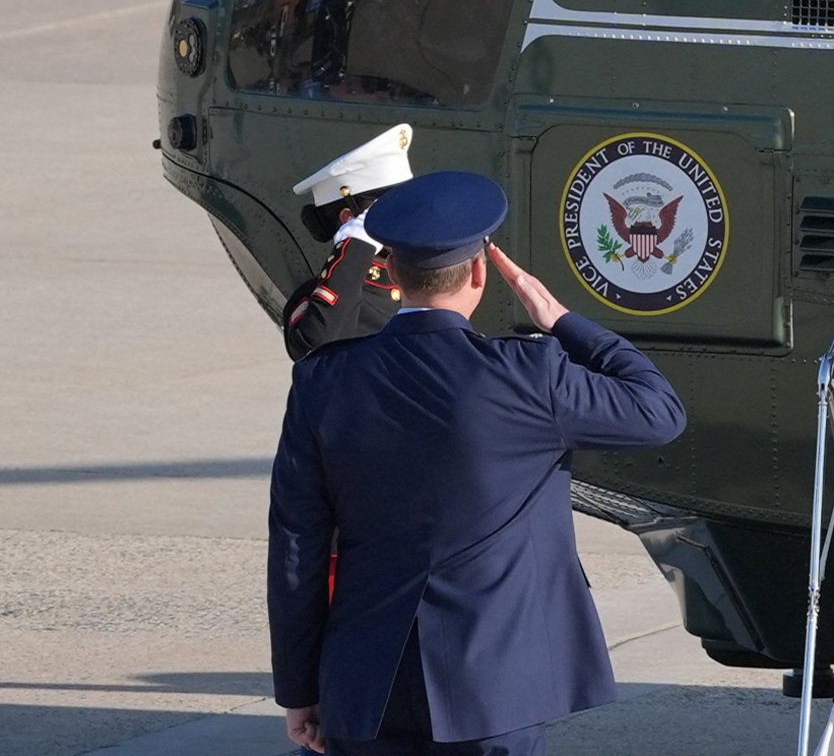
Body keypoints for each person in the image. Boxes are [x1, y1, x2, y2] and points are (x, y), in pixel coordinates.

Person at [267, 171, 685, 756]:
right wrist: (562, 320)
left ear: (390, 272)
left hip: (365, 680)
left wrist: (299, 688)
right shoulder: (530, 374)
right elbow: (660, 412)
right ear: (481, 273)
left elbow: (296, 545)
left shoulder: (323, 379)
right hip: (498, 682)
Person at [282, 124, 415, 361]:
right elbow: (316, 347)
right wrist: (356, 247)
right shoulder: (312, 299)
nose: (406, 218)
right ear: (350, 220)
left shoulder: (424, 281)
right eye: (389, 209)